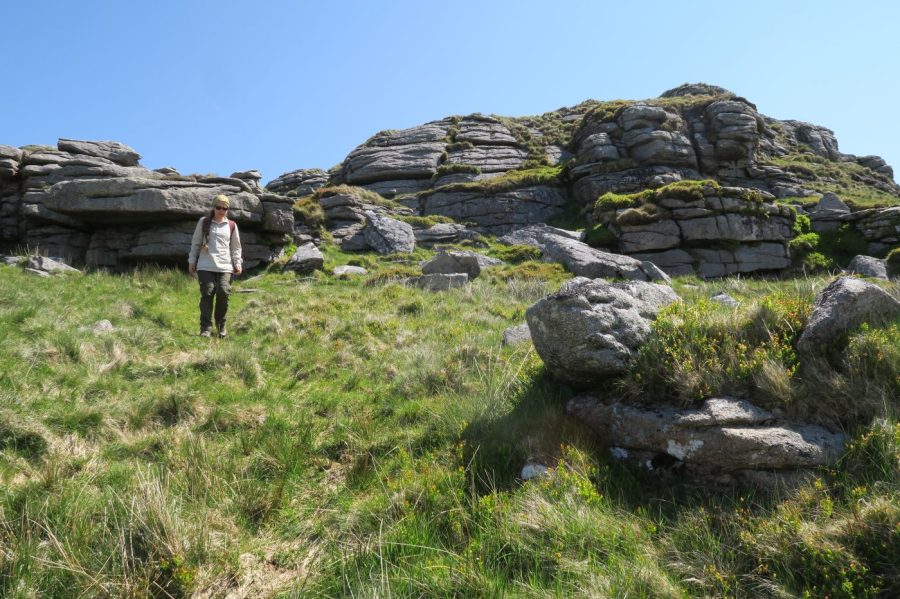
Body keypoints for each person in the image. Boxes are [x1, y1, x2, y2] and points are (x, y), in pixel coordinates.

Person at [188, 194, 243, 338]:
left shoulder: (231, 225)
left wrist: (237, 262)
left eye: (224, 208)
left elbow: (236, 247)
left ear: (227, 210)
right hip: (205, 265)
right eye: (218, 207)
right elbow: (195, 242)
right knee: (207, 293)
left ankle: (220, 327)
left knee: (223, 293)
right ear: (213, 207)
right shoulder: (204, 222)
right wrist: (191, 260)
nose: (221, 210)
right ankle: (205, 328)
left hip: (225, 266)